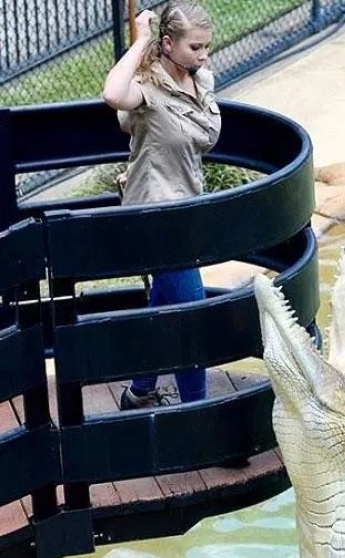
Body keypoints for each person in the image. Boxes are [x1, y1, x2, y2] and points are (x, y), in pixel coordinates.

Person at [102, 2, 221, 410]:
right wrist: (141, 40)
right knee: (191, 313)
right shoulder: (146, 89)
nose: (204, 56)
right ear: (168, 44)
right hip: (155, 219)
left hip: (187, 214)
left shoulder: (202, 79)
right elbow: (113, 94)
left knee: (165, 304)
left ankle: (139, 391)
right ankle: (197, 414)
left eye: (206, 46)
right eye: (195, 47)